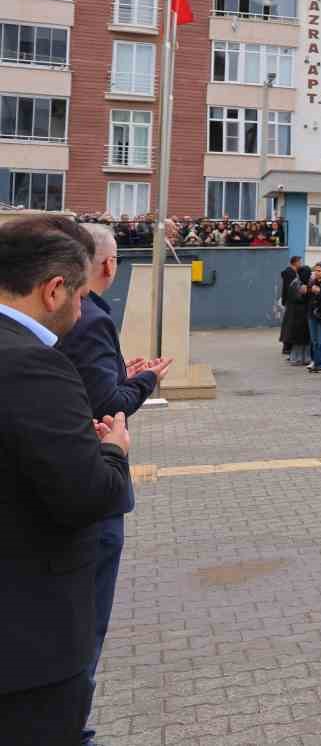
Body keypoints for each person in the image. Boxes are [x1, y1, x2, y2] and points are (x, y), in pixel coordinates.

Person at [0, 216, 133, 743]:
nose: (83, 311)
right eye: (80, 295)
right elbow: (88, 496)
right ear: (55, 289)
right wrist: (112, 451)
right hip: (28, 650)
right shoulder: (33, 366)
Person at [54, 222, 169, 745]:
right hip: (87, 486)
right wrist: (144, 381)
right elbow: (107, 406)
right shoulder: (90, 318)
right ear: (105, 266)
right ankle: (71, 728)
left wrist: (121, 376)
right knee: (81, 627)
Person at [278, 254, 302, 356]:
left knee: (288, 323)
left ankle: (287, 346)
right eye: (300, 262)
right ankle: (287, 347)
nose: (301, 264)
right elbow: (290, 289)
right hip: (291, 302)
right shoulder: (291, 273)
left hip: (289, 301)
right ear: (295, 262)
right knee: (289, 324)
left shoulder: (290, 273)